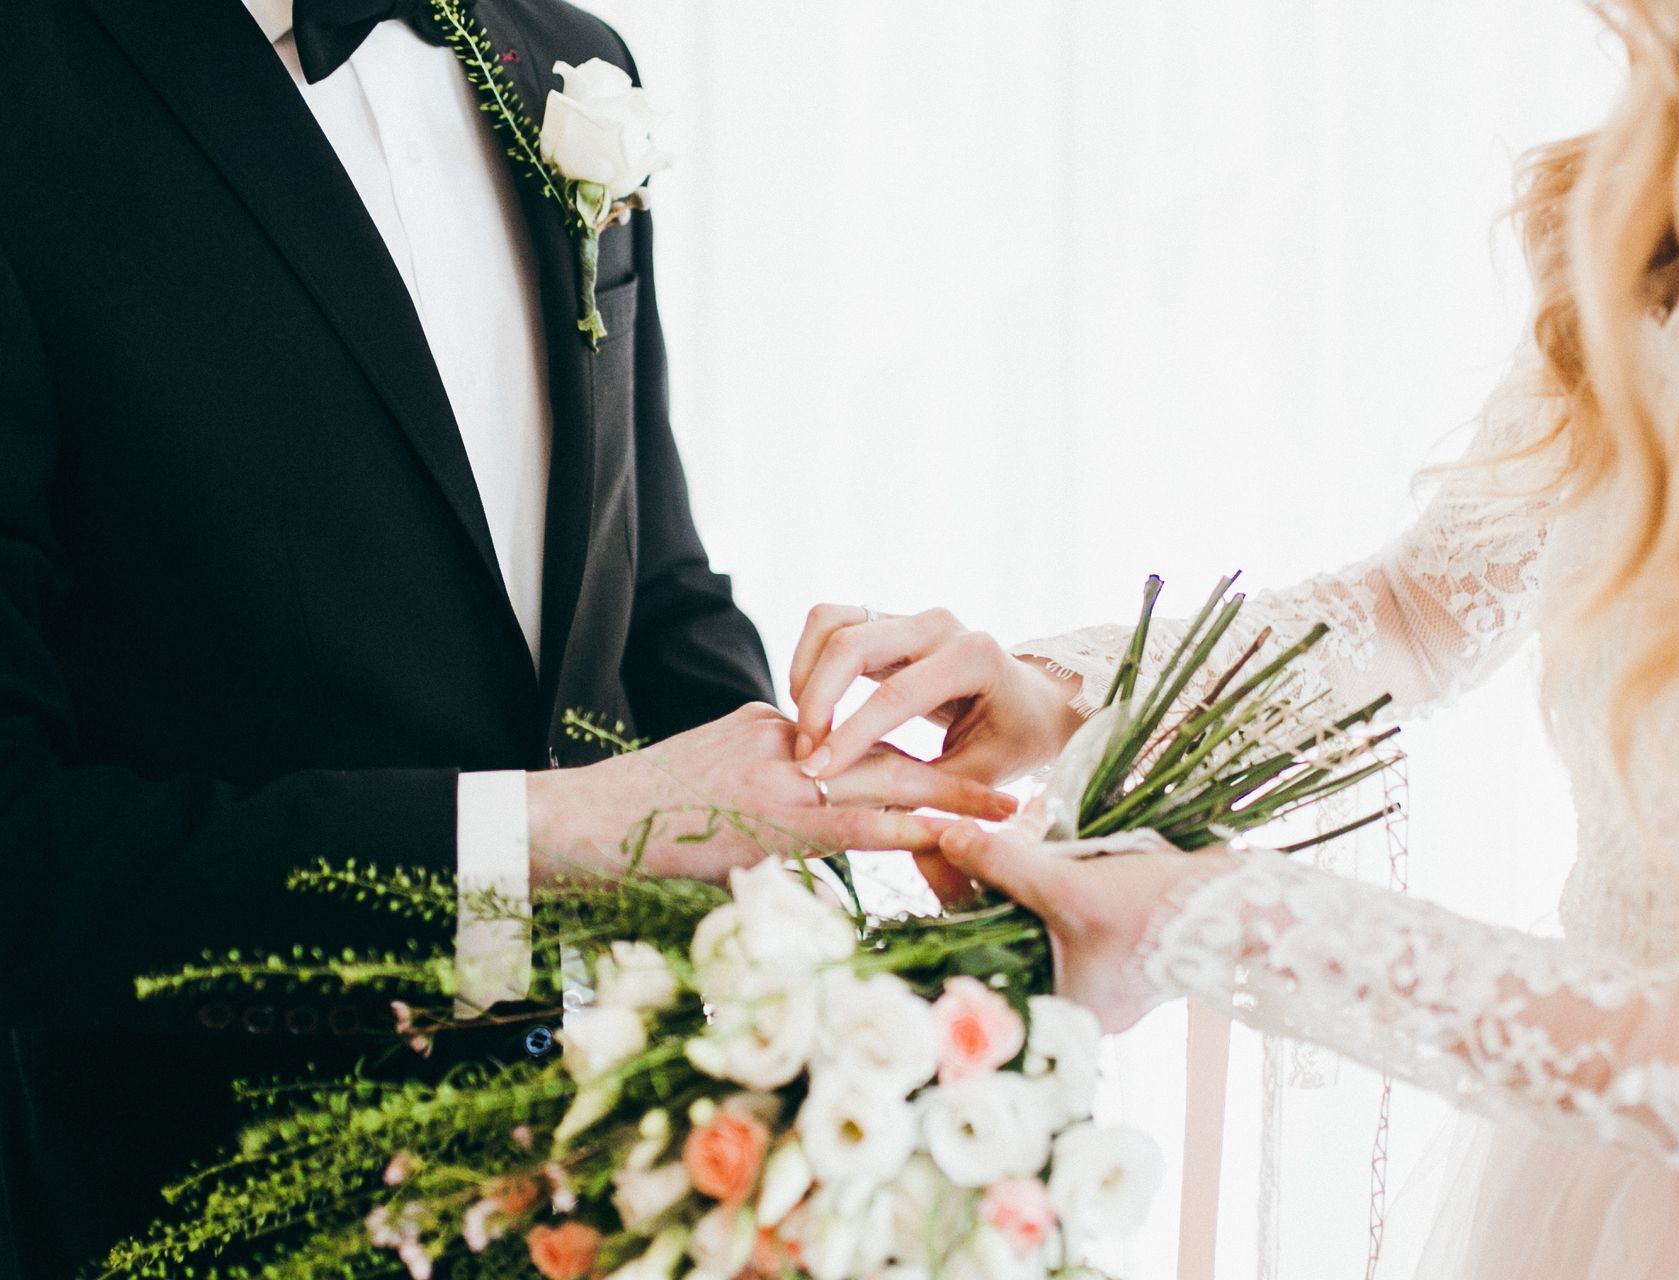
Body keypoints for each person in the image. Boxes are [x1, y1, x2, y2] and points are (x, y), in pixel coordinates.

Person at [789, 2, 1679, 1274]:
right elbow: (1417, 613)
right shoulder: (1673, 204)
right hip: (1589, 1195)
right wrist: (1068, 690)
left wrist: (1227, 921)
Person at [0, 2, 1008, 1275]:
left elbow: (650, 590)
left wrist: (821, 834)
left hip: (603, 1187)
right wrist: (553, 842)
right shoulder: (28, 90)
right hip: (194, 1207)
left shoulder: (573, 61)